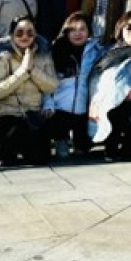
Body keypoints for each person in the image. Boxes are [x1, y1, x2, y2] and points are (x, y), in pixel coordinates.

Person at [0, 15, 58, 166]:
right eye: (19, 33)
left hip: (31, 113)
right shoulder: (1, 56)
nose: (24, 36)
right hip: (4, 113)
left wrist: (32, 70)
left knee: (41, 157)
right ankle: (5, 151)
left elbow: (53, 85)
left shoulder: (43, 55)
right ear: (11, 34)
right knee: (15, 131)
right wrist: (22, 71)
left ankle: (20, 149)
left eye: (29, 33)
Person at [88, 11, 131, 161]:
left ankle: (129, 147)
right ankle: (110, 148)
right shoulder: (108, 51)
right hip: (107, 100)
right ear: (121, 29)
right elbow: (98, 76)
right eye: (129, 27)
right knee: (113, 110)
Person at [43, 12, 103, 159]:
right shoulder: (56, 51)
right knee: (62, 155)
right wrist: (48, 103)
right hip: (60, 108)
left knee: (83, 152)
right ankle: (60, 139)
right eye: (73, 30)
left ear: (89, 31)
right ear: (66, 32)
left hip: (84, 108)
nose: (77, 33)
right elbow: (47, 82)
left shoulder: (95, 52)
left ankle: (81, 141)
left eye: (82, 29)